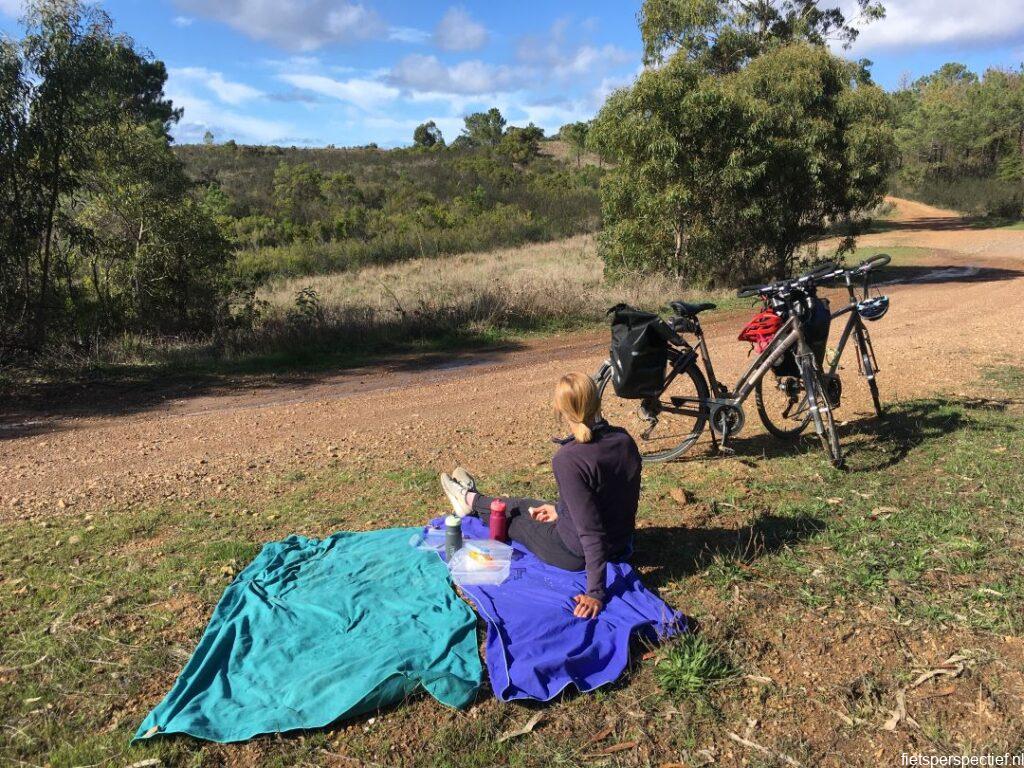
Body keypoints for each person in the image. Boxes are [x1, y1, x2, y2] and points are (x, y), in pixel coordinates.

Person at [440, 372, 642, 619]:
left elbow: (591, 532)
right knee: (525, 504)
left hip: (573, 552)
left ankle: (468, 499)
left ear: (561, 410)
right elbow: (610, 496)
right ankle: (471, 498)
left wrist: (596, 592)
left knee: (510, 515)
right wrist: (560, 510)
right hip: (621, 541)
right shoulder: (623, 440)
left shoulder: (569, 459)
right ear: (597, 401)